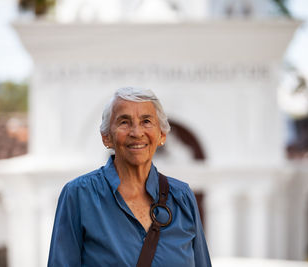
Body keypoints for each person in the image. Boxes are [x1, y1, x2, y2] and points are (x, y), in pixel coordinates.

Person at [48, 87, 211, 266]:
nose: (136, 132)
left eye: (146, 121)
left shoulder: (182, 196)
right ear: (106, 137)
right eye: (124, 122)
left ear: (162, 135)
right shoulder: (79, 195)